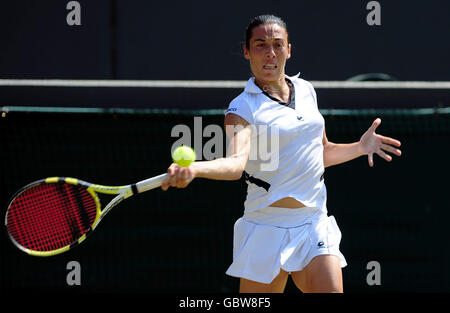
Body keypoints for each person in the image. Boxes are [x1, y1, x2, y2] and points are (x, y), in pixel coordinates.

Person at [161, 14, 402, 293]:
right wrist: (195, 169)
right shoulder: (242, 108)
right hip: (265, 226)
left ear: (289, 49)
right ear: (247, 51)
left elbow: (321, 152)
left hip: (313, 222)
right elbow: (236, 164)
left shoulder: (306, 91)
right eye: (261, 45)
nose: (270, 53)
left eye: (278, 44)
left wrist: (360, 148)